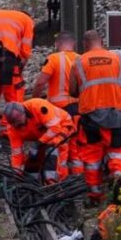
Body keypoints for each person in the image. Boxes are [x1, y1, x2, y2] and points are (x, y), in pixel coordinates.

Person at [70, 30, 121, 202]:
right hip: (115, 113)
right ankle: (120, 182)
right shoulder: (117, 58)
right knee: (116, 152)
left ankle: (95, 195)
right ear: (102, 41)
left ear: (85, 44)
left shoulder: (78, 62)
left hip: (90, 116)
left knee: (92, 156)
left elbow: (72, 91)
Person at [32, 31, 83, 175]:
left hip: (59, 112)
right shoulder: (81, 59)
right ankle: (78, 180)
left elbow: (41, 83)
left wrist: (35, 100)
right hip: (79, 109)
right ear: (73, 44)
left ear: (57, 44)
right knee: (76, 147)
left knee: (61, 148)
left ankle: (60, 183)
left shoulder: (54, 59)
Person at [2, 99, 75, 184]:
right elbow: (17, 153)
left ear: (24, 112)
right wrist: (16, 173)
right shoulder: (12, 129)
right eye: (15, 124)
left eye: (19, 122)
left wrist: (39, 143)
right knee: (33, 155)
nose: (19, 126)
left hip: (63, 126)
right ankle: (33, 182)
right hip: (43, 136)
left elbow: (55, 128)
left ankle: (57, 182)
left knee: (53, 149)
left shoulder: (38, 106)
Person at [0, 9, 35, 138]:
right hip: (10, 64)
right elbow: (25, 51)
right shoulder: (27, 21)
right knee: (14, 99)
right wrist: (19, 71)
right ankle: (8, 131)